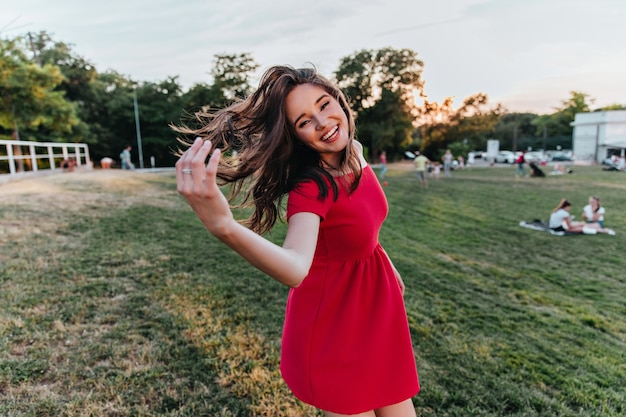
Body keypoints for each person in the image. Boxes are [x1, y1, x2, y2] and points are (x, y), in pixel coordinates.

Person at [174, 66, 419, 416]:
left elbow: (364, 230)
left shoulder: (357, 152)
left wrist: (387, 265)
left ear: (339, 99)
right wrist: (223, 225)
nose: (322, 122)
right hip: (336, 326)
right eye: (304, 122)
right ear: (296, 136)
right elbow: (295, 268)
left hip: (375, 312)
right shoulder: (311, 189)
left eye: (324, 104)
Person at [549, 199, 614, 235]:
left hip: (553, 226)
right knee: (582, 228)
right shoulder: (565, 213)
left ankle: (603, 230)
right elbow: (570, 226)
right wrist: (580, 225)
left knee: (581, 224)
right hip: (558, 228)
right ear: (567, 207)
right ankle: (603, 231)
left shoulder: (556, 210)